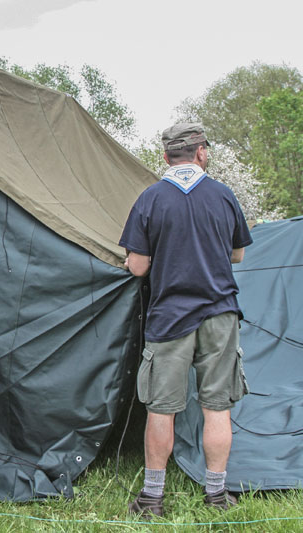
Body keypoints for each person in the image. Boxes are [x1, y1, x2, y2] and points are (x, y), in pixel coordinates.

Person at [119, 123, 253, 518]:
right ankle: (216, 497)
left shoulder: (150, 198)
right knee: (217, 408)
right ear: (201, 152)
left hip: (170, 317)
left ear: (165, 157)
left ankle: (152, 500)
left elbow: (139, 268)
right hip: (220, 314)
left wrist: (134, 259)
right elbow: (238, 255)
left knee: (162, 409)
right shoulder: (224, 195)